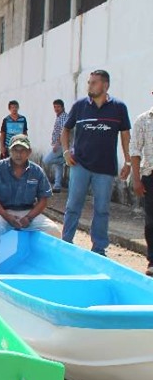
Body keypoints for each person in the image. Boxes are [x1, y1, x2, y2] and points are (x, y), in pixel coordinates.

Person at [61, 69, 132, 256]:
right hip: (80, 165)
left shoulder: (119, 108)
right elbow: (65, 129)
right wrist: (66, 151)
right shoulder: (79, 106)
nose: (89, 85)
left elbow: (125, 135)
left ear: (105, 85)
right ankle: (66, 242)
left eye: (94, 82)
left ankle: (99, 248)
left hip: (105, 169)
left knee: (102, 209)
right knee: (73, 205)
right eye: (89, 82)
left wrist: (128, 162)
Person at [0, 134, 61, 273]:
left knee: (53, 230)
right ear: (9, 151)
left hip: (28, 212)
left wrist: (29, 217)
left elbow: (43, 200)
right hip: (2, 212)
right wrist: (7, 216)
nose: (19, 154)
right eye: (15, 150)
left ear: (29, 152)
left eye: (22, 150)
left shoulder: (37, 171)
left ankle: (47, 268)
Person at [128, 89, 153, 276]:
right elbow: (135, 151)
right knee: (151, 221)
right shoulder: (143, 120)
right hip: (150, 177)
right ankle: (152, 260)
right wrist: (136, 180)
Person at [41, 99, 68, 192]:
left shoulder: (64, 117)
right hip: (59, 144)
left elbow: (63, 131)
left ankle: (65, 160)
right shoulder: (59, 116)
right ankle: (57, 186)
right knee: (58, 166)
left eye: (58, 107)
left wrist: (57, 143)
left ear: (62, 107)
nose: (56, 109)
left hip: (61, 145)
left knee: (47, 160)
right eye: (55, 107)